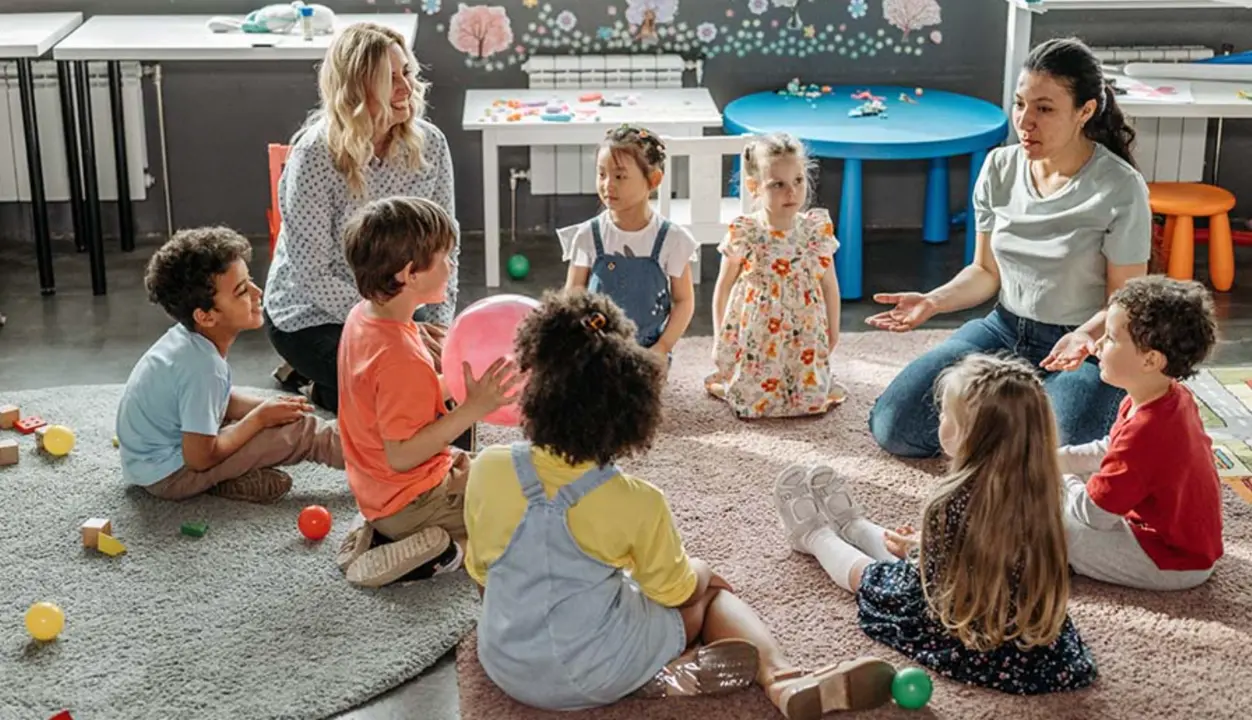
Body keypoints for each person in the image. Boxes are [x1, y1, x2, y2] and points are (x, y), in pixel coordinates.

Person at [465, 289, 898, 719]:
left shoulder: (488, 467)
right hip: (596, 671)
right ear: (630, 414)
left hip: (505, 663)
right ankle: (784, 679)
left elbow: (483, 570)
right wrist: (704, 572)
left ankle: (656, 675)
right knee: (707, 596)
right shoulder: (636, 501)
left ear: (533, 388)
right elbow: (676, 590)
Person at [866, 36, 1151, 457]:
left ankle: (1014, 421)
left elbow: (1125, 300)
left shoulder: (1121, 187)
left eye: (1045, 108)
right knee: (895, 426)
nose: (1025, 120)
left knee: (1062, 454)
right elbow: (985, 272)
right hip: (1003, 328)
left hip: (1080, 345)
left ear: (1085, 111)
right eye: (1020, 104)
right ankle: (1014, 420)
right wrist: (933, 300)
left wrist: (1085, 337)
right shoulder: (999, 167)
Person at [775, 354, 1097, 695]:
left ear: (969, 434)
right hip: (1031, 635)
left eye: (945, 414)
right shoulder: (1049, 487)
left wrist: (921, 550)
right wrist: (922, 547)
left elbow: (931, 583)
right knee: (904, 558)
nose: (939, 418)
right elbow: (988, 555)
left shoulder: (951, 501)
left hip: (971, 629)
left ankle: (813, 535)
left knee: (872, 577)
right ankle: (852, 525)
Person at [263, 22, 459, 413]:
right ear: (356, 89)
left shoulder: (430, 144)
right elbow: (312, 275)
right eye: (389, 78)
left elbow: (445, 247)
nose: (406, 86)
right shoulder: (315, 154)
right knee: (399, 387)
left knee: (435, 382)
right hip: (312, 316)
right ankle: (317, 381)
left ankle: (328, 386)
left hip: (401, 306)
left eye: (407, 72)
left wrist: (440, 329)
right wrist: (397, 327)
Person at [333, 197, 519, 588]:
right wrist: (472, 408)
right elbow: (401, 455)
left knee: (504, 469)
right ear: (409, 275)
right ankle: (441, 550)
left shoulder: (363, 317)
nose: (451, 266)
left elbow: (395, 403)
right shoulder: (400, 357)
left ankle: (380, 530)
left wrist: (454, 385)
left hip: (381, 490)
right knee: (523, 518)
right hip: (412, 498)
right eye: (443, 258)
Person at [116, 227, 343, 503]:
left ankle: (228, 480)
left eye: (251, 281)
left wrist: (265, 408)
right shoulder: (203, 368)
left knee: (277, 416)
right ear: (206, 316)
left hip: (150, 464)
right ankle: (383, 462)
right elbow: (200, 458)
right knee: (301, 432)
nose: (257, 292)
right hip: (171, 476)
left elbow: (219, 398)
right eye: (241, 291)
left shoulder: (188, 341)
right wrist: (260, 418)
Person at [1059, 276, 1223, 590]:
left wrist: (1059, 479)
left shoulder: (1147, 431)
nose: (1098, 345)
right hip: (1183, 540)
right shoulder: (1164, 397)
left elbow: (1094, 516)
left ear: (1150, 360)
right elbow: (1110, 449)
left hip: (1174, 560)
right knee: (1072, 484)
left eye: (1110, 337)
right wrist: (1057, 461)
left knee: (1059, 532)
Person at [706, 132, 844, 418]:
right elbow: (724, 286)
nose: (791, 192)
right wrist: (721, 338)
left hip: (804, 331)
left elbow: (829, 285)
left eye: (798, 181)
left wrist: (833, 329)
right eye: (778, 184)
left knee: (809, 399)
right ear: (754, 187)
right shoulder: (745, 231)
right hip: (758, 335)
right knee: (752, 399)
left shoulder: (815, 230)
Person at [558, 124, 697, 366]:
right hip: (596, 348)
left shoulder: (672, 240)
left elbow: (684, 300)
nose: (607, 184)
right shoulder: (588, 235)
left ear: (653, 180)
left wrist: (663, 347)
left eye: (620, 176)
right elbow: (574, 292)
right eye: (602, 174)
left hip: (647, 352)